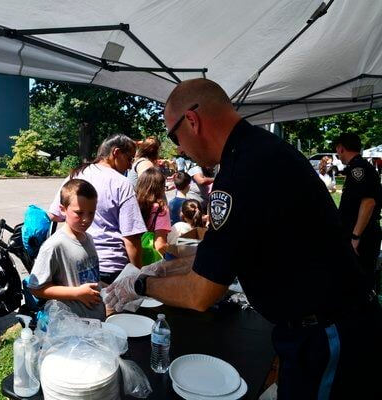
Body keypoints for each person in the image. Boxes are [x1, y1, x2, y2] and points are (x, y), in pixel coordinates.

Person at [105, 78, 382, 399]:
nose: (178, 147)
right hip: (319, 328)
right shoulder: (256, 152)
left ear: (192, 121)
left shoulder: (243, 169)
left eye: (174, 135)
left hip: (328, 331)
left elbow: (202, 292)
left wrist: (140, 284)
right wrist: (162, 268)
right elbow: (217, 253)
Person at [48, 134, 146, 284]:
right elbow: (131, 238)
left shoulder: (76, 175)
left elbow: (55, 215)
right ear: (116, 152)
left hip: (75, 264)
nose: (130, 166)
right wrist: (138, 276)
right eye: (129, 159)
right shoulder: (122, 183)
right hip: (110, 268)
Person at [28, 179, 105, 320]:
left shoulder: (89, 238)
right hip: (71, 325)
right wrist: (76, 293)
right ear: (63, 209)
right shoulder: (54, 246)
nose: (86, 219)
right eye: (79, 213)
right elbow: (35, 288)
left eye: (91, 213)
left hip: (95, 320)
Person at [335, 133, 382, 292]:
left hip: (362, 236)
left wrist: (355, 237)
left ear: (341, 148)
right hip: (362, 234)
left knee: (360, 282)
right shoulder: (359, 167)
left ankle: (365, 314)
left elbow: (368, 203)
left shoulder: (358, 169)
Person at [136, 167, 171, 258]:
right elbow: (160, 245)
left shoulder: (133, 204)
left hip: (133, 257)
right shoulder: (160, 209)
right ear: (159, 188)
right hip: (151, 262)